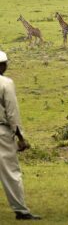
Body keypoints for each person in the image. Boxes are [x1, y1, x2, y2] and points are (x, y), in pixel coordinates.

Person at [0, 50, 41, 220]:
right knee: (11, 172)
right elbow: (12, 113)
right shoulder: (6, 83)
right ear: (2, 65)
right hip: (1, 133)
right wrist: (21, 137)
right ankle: (21, 210)